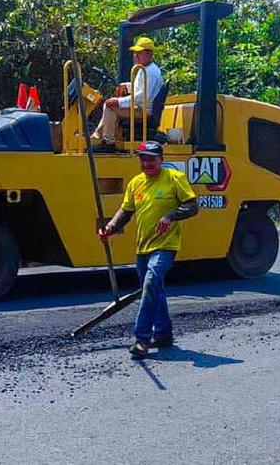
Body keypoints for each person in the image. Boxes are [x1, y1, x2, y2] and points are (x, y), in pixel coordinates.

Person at [98, 140, 198, 359]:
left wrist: (170, 216)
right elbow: (126, 211)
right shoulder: (136, 183)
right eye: (143, 158)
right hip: (143, 246)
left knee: (151, 283)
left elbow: (192, 205)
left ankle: (142, 338)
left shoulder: (174, 179)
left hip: (166, 245)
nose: (147, 163)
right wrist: (110, 228)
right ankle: (163, 334)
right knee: (154, 289)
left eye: (152, 159)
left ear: (161, 160)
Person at [91, 36, 163, 153]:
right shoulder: (144, 69)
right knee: (111, 104)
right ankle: (97, 138)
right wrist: (127, 85)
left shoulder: (151, 72)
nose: (135, 56)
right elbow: (140, 88)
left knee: (111, 106)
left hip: (143, 110)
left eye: (139, 53)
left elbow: (143, 96)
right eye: (135, 53)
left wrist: (119, 101)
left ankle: (108, 143)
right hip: (140, 106)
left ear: (149, 53)